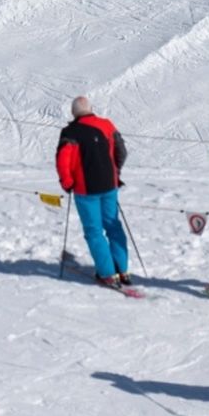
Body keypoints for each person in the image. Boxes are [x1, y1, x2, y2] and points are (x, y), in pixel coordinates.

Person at [56, 95, 131, 287]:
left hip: (85, 189)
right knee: (113, 226)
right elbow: (121, 151)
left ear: (74, 113)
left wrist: (67, 183)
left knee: (94, 231)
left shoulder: (70, 132)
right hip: (110, 185)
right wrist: (115, 171)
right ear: (91, 108)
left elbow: (62, 160)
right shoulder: (107, 125)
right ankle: (122, 269)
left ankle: (107, 273)